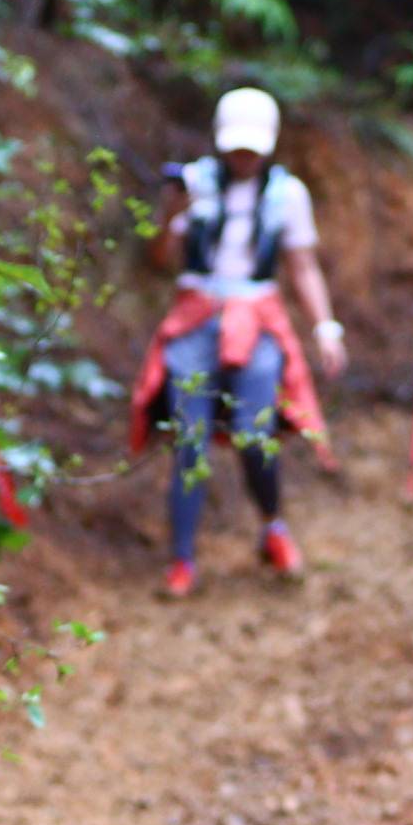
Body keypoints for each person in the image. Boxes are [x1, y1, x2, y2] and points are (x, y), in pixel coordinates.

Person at [129, 87, 344, 599]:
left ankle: (274, 527)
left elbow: (303, 265)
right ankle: (182, 560)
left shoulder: (286, 195)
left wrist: (325, 326)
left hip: (257, 320)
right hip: (196, 316)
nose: (243, 157)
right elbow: (158, 260)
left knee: (255, 432)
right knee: (189, 439)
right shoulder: (196, 185)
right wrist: (169, 214)